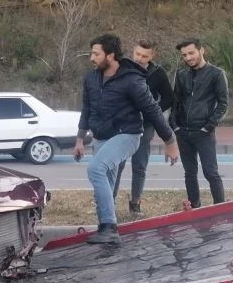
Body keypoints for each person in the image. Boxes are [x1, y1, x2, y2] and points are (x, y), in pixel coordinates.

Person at [73, 34, 179, 244]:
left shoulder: (132, 79)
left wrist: (170, 141)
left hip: (127, 134)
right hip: (102, 137)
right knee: (105, 184)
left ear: (110, 55)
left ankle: (109, 228)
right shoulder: (91, 78)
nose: (92, 58)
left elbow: (152, 110)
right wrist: (79, 139)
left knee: (95, 169)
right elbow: (87, 109)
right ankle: (106, 231)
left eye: (96, 54)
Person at [112, 40, 174, 216]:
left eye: (145, 56)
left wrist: (152, 111)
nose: (140, 58)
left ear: (152, 56)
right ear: (133, 52)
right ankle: (110, 201)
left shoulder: (158, 73)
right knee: (117, 164)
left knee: (140, 166)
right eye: (137, 54)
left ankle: (135, 203)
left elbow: (169, 98)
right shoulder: (122, 68)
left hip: (145, 126)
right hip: (123, 125)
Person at [169, 38, 229, 208]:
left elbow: (223, 103)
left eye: (191, 53)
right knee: (189, 173)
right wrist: (174, 125)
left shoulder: (217, 74)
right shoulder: (181, 74)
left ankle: (220, 210)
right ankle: (194, 208)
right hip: (183, 131)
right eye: (184, 55)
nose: (188, 57)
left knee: (211, 172)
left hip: (203, 132)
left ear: (201, 50)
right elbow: (176, 101)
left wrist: (209, 126)